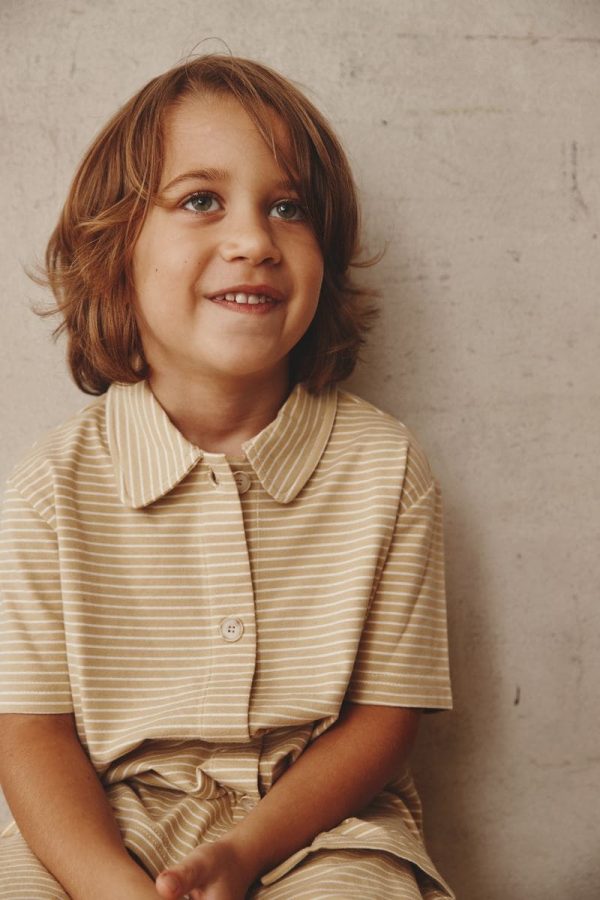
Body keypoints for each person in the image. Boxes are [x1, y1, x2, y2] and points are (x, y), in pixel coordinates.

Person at [0, 54, 454, 899]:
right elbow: (30, 734)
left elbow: (386, 720)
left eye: (287, 207)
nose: (253, 241)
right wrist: (114, 889)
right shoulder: (48, 489)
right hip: (102, 828)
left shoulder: (386, 470)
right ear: (116, 248)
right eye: (200, 200)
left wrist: (244, 853)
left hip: (321, 832)